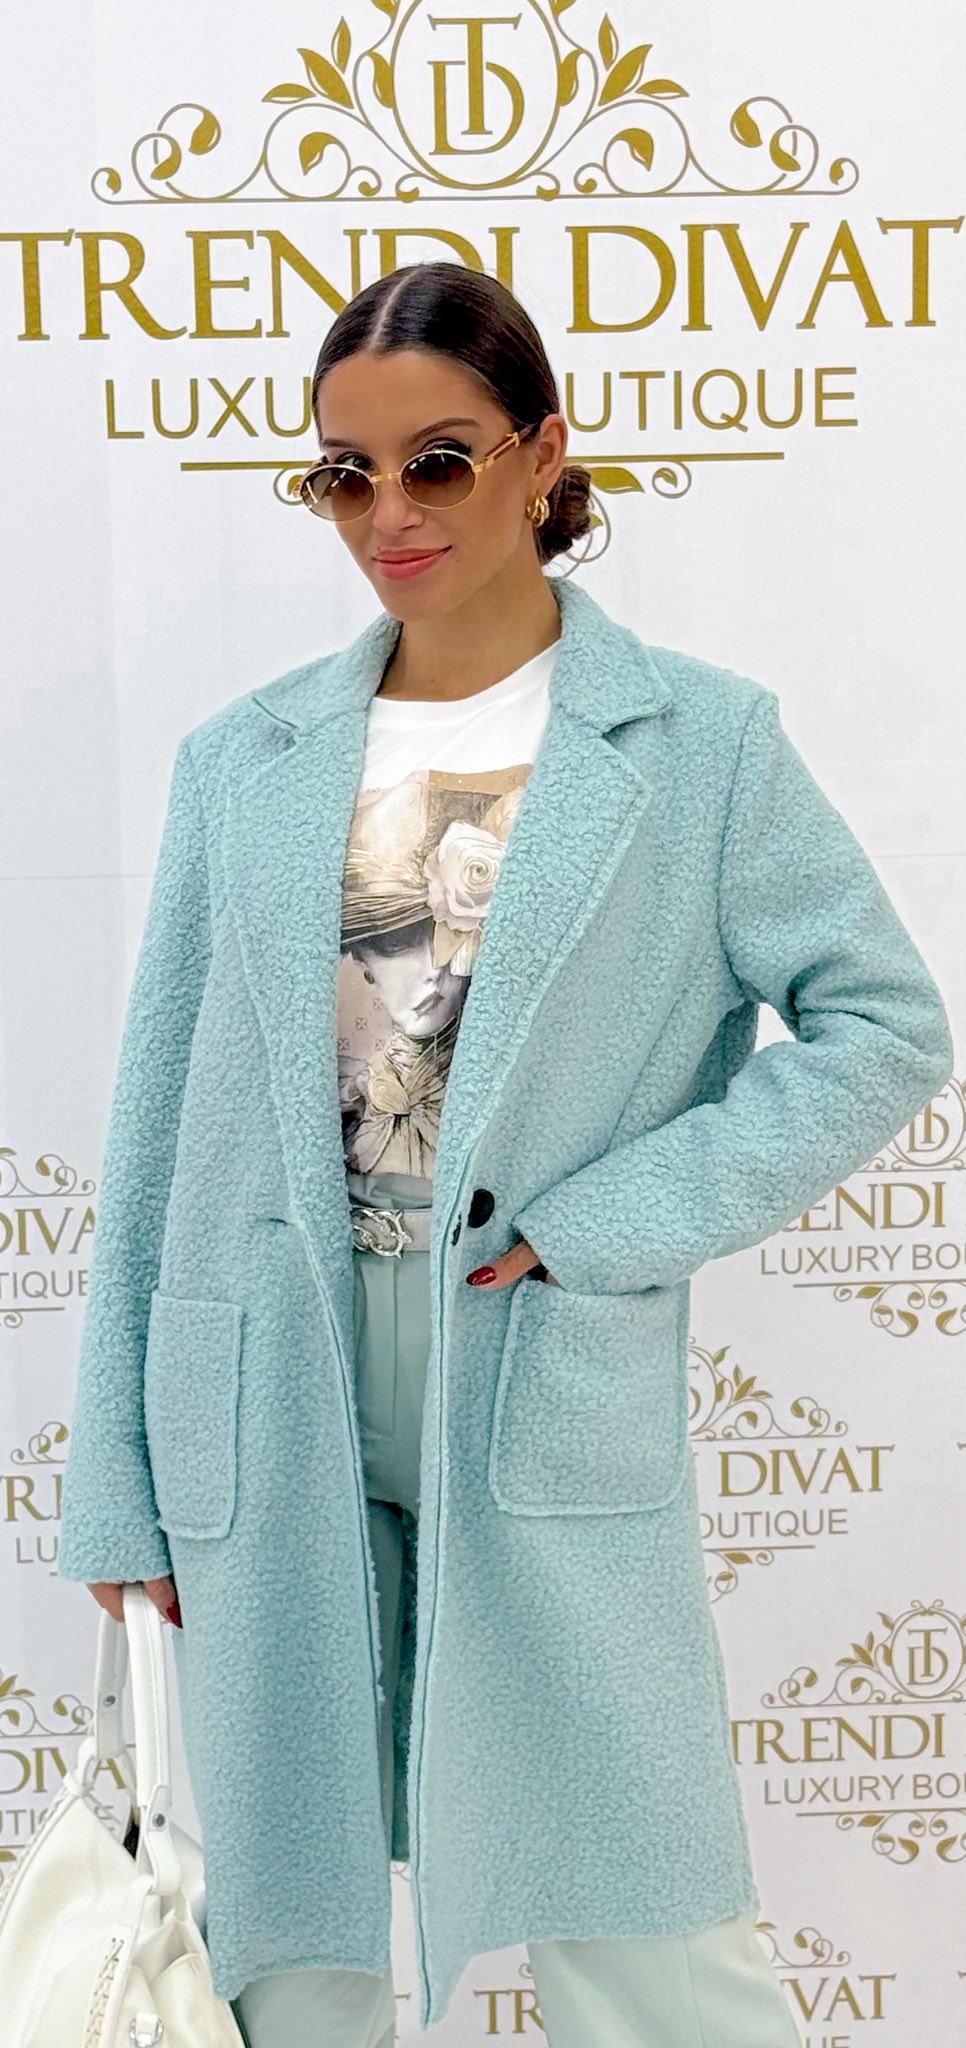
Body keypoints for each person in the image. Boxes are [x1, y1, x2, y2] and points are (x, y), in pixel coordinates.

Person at [58, 261, 953, 2047]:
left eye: (440, 461)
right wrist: (119, 1474)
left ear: (543, 454)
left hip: (534, 1340)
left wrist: (611, 1220)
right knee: (290, 1928)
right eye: (346, 474)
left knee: (642, 1913)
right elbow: (155, 1117)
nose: (389, 514)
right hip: (269, 1366)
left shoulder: (696, 744)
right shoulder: (245, 758)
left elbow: (883, 1027)